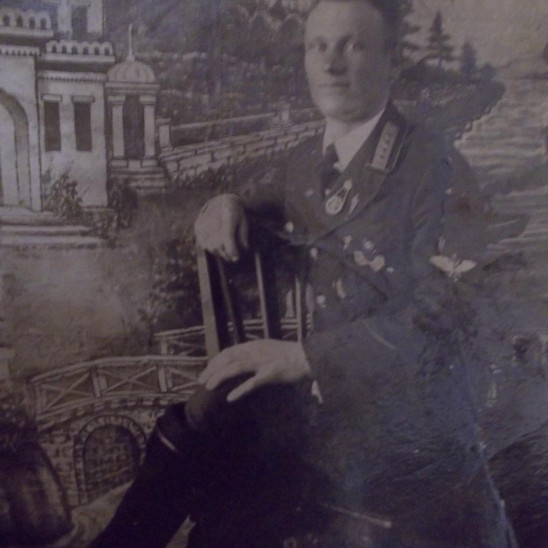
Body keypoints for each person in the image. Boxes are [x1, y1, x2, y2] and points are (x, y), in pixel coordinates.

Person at [91, 1, 522, 546]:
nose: (331, 63)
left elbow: (446, 321)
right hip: (327, 410)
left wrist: (306, 357)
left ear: (391, 61)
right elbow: (260, 201)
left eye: (353, 46)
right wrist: (225, 203)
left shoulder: (435, 166)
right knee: (213, 407)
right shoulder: (305, 161)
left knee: (214, 433)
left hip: (410, 425)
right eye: (318, 47)